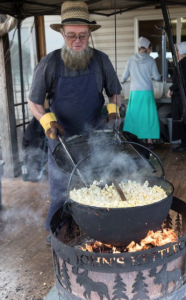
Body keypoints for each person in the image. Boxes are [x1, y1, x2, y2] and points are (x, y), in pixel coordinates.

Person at [27, 1, 122, 244]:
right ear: (62, 34)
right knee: (60, 188)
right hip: (61, 138)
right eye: (71, 36)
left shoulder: (101, 61)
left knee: (98, 183)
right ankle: (58, 228)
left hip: (95, 136)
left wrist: (112, 110)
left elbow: (115, 92)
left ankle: (98, 226)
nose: (77, 41)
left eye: (82, 35)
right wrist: (48, 121)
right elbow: (34, 102)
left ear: (89, 33)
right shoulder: (49, 63)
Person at [121, 37, 161, 149]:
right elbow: (157, 77)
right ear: (147, 47)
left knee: (135, 115)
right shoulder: (151, 60)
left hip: (135, 92)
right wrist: (161, 78)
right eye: (150, 47)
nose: (151, 50)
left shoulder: (131, 59)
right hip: (147, 91)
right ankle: (149, 141)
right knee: (148, 116)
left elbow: (124, 77)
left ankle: (136, 140)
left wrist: (123, 81)